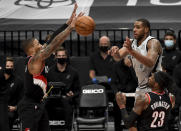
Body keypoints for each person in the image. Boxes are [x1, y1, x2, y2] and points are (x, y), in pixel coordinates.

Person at [18, 3, 83, 131]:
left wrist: (67, 23)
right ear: (31, 49)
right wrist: (70, 29)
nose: (41, 44)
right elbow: (53, 45)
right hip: (30, 106)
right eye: (38, 44)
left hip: (39, 104)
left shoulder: (38, 57)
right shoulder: (33, 60)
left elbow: (52, 39)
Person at [111, 18, 162, 95]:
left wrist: (131, 51)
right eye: (134, 27)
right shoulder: (131, 43)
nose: (134, 30)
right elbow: (118, 58)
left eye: (138, 27)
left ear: (146, 29)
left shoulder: (153, 42)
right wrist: (115, 52)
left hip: (156, 86)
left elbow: (150, 63)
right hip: (141, 87)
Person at [47, 46, 80, 131]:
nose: (61, 58)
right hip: (52, 98)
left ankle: (67, 129)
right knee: (42, 104)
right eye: (59, 56)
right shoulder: (50, 72)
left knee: (67, 103)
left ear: (66, 57)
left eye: (63, 56)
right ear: (56, 57)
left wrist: (72, 94)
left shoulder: (73, 72)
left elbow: (78, 90)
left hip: (66, 98)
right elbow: (46, 88)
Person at [111, 57, 138, 131]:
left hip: (135, 94)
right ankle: (118, 128)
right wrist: (116, 93)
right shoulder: (116, 65)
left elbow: (138, 81)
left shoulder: (138, 64)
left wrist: (131, 67)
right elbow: (113, 83)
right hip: (121, 94)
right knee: (116, 103)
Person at [3, 57, 24, 130]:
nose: (9, 68)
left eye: (11, 66)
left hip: (11, 111)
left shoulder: (18, 81)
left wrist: (15, 107)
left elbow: (22, 99)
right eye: (7, 66)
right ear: (4, 67)